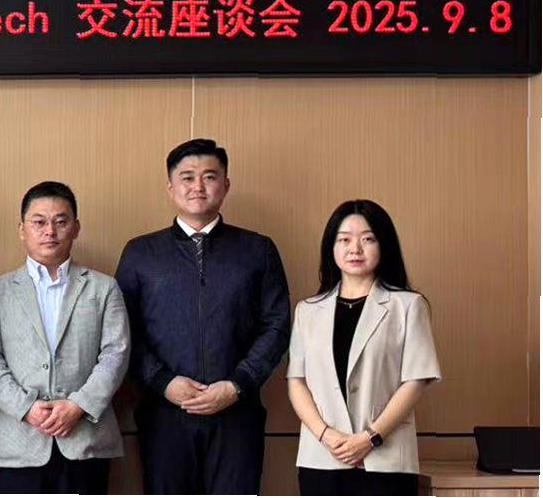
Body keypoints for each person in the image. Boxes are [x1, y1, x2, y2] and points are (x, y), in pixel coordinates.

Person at [115, 139, 291, 494]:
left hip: (237, 412)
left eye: (209, 177)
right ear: (170, 188)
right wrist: (163, 381)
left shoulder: (258, 249)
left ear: (225, 185)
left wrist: (237, 384)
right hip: (164, 414)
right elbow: (121, 330)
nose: (198, 186)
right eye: (187, 177)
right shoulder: (140, 252)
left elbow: (277, 324)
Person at [0, 181, 129, 494]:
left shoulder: (104, 288)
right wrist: (26, 407)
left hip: (85, 440)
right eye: (39, 222)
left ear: (76, 228)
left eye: (61, 221)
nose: (50, 231)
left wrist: (78, 405)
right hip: (17, 444)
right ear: (22, 229)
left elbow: (116, 354)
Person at [287, 200, 441, 495]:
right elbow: (296, 382)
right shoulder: (307, 310)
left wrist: (370, 437)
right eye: (344, 240)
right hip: (322, 456)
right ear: (331, 248)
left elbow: (415, 381)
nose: (355, 249)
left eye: (368, 239)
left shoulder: (409, 305)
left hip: (386, 458)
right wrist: (326, 435)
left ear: (384, 246)